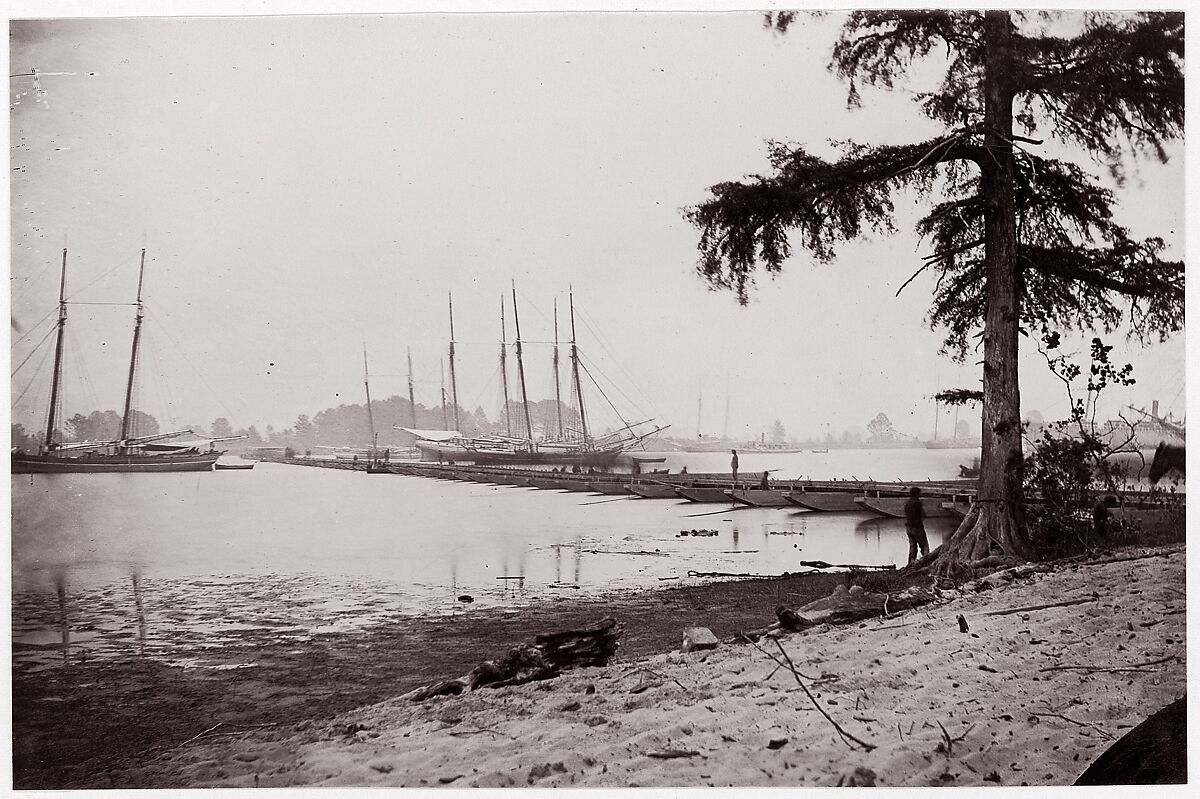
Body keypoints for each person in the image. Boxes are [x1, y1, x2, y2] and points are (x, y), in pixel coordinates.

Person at [904, 486, 929, 564]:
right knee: (924, 546)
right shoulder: (918, 503)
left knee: (913, 547)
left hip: (908, 528)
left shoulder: (907, 504)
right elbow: (924, 515)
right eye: (919, 493)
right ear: (917, 494)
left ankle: (911, 563)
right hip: (918, 528)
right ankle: (926, 563)